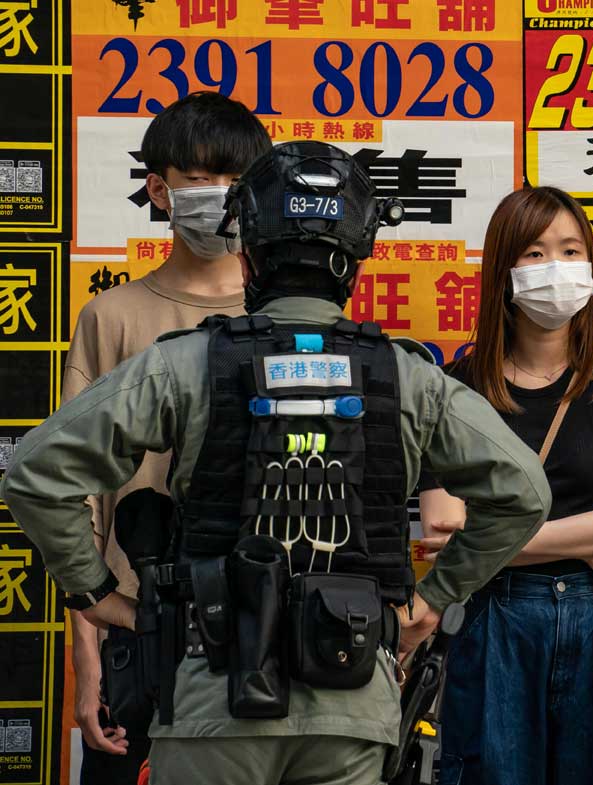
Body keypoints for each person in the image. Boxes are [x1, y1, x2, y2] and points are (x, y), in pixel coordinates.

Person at [0, 141, 552, 785]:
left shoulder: (185, 364)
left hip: (212, 701)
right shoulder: (409, 379)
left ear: (248, 252)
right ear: (357, 261)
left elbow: (34, 471)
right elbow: (524, 493)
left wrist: (93, 591)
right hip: (353, 705)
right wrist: (433, 599)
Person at [413, 186, 593, 785]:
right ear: (503, 271)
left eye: (571, 249)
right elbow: (444, 527)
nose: (556, 267)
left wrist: (504, 538)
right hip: (493, 619)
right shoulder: (458, 384)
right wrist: (588, 542)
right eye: (534, 252)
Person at [63, 91, 270, 785]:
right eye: (203, 178)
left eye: (238, 181)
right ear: (159, 188)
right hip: (139, 628)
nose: (223, 197)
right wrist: (87, 654)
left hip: (266, 630)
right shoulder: (111, 316)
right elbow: (77, 494)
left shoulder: (288, 319)